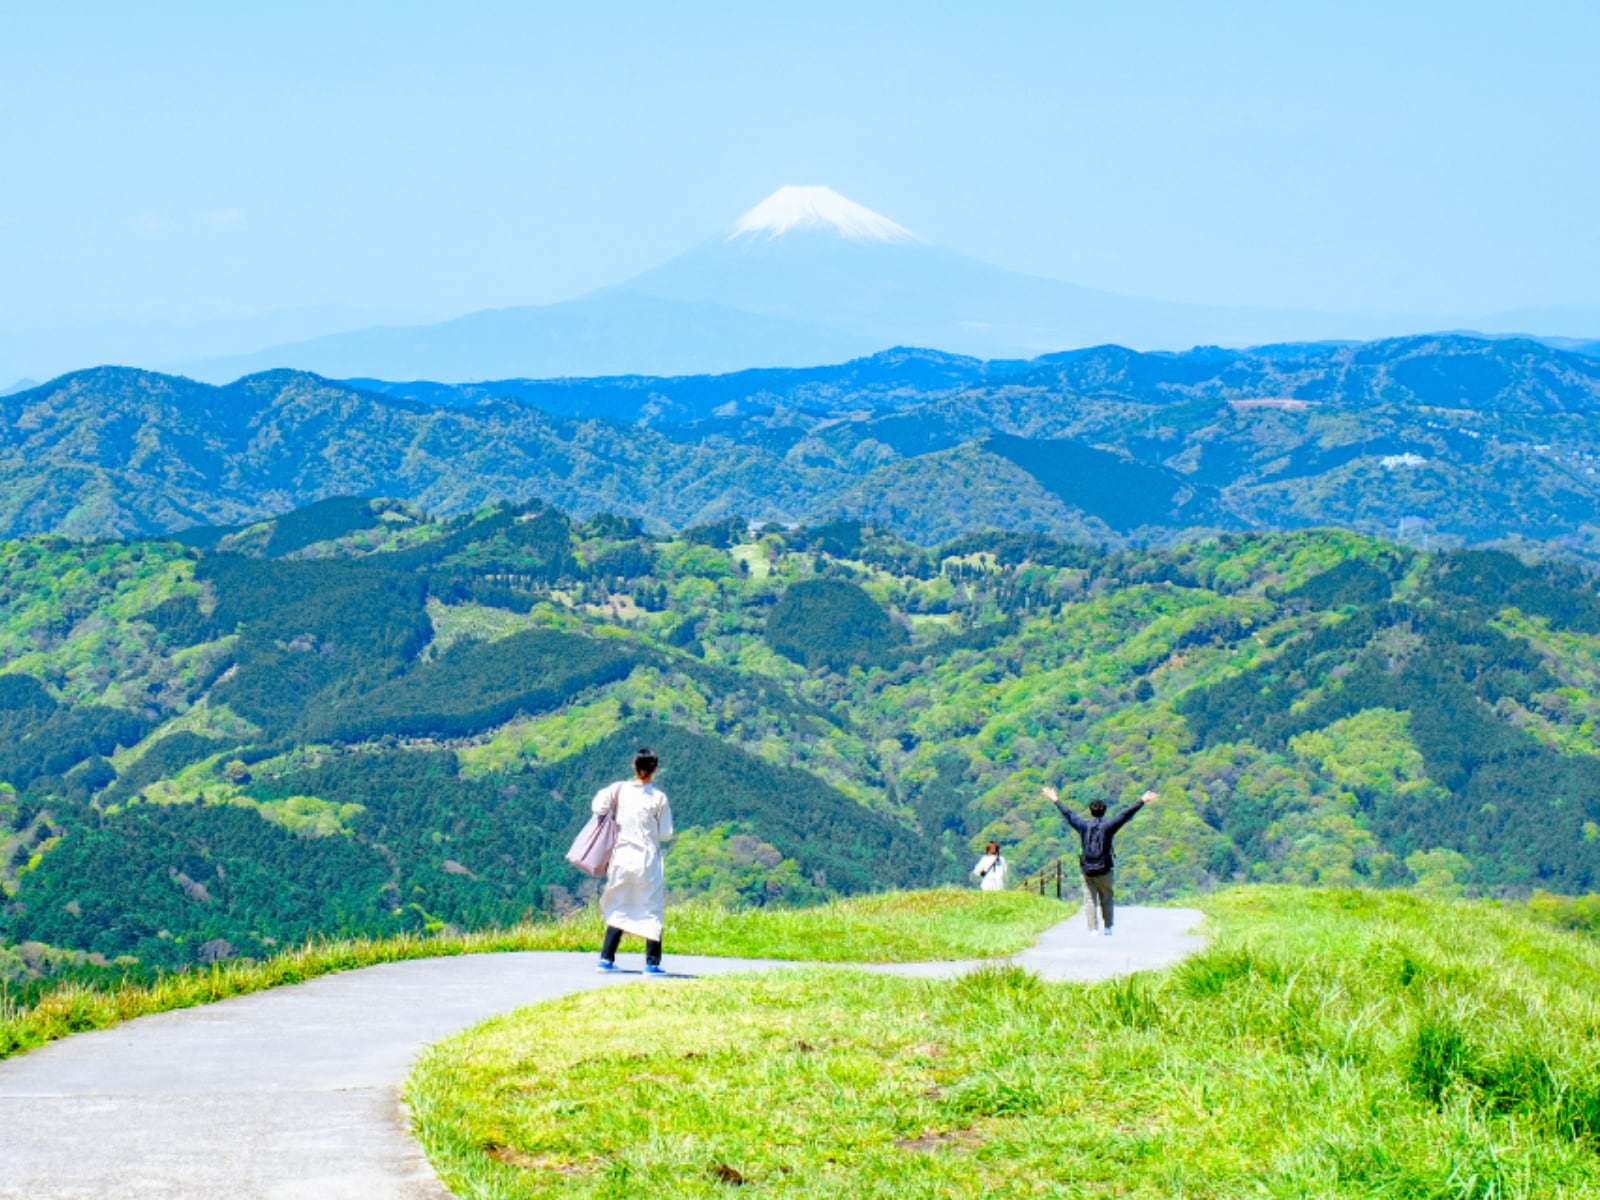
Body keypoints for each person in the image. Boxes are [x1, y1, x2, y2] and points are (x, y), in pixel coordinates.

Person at [595, 747, 675, 974]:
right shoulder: (658, 798)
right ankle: (652, 963)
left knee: (619, 902)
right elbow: (665, 833)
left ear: (634, 766)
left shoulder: (619, 790)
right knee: (651, 907)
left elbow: (598, 807)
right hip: (647, 858)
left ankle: (606, 959)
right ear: (655, 769)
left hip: (621, 855)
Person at [1041, 785, 1156, 937]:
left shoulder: (1083, 826)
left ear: (1090, 811)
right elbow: (1125, 815)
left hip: (1087, 870)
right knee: (1107, 897)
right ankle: (1108, 927)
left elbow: (1068, 814)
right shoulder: (1108, 826)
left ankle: (1093, 929)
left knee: (1089, 899)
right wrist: (1142, 801)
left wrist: (1055, 799)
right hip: (1105, 869)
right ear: (1104, 812)